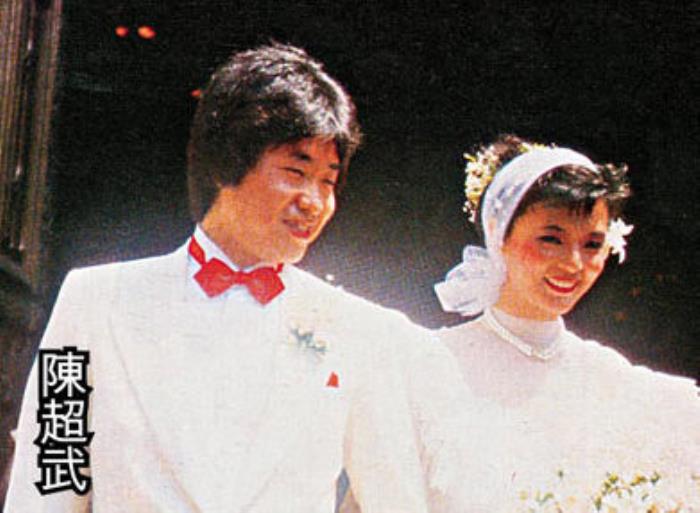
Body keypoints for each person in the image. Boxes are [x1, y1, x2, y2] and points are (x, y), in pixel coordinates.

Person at [4, 43, 469, 513]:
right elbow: (46, 479)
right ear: (226, 163)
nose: (313, 201)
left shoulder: (360, 332)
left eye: (328, 181)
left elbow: (394, 500)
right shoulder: (94, 301)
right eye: (296, 171)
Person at [434, 135, 700, 512]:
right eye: (551, 239)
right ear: (498, 233)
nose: (574, 264)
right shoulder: (433, 362)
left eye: (592, 245)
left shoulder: (615, 380)